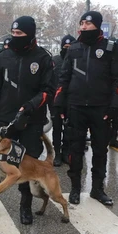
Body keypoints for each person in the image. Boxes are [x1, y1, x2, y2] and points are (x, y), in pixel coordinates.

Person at [0, 16, 55, 224]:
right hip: (5, 121)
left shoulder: (43, 58)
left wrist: (29, 107)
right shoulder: (3, 57)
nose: (15, 37)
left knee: (26, 165)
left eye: (20, 34)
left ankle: (25, 206)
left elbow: (48, 91)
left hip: (31, 121)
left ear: (30, 35)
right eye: (13, 33)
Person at [54, 11, 118, 206]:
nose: (83, 26)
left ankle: (97, 189)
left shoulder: (110, 48)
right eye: (82, 23)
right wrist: (60, 101)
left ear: (98, 26)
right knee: (75, 151)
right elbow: (64, 77)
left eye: (87, 23)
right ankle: (75, 188)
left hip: (100, 109)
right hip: (76, 107)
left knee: (100, 151)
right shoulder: (74, 48)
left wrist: (114, 105)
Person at [50, 34, 76, 166]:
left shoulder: (77, 61)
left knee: (69, 129)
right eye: (65, 47)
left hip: (72, 101)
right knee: (57, 128)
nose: (67, 49)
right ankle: (57, 154)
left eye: (70, 46)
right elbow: (48, 81)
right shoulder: (54, 60)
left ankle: (66, 152)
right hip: (56, 101)